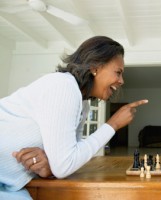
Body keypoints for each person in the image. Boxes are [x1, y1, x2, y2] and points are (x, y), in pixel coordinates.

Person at [0, 36, 148, 199]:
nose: (121, 81)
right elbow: (64, 165)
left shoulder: (81, 102)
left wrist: (50, 165)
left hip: (10, 185)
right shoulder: (64, 86)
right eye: (118, 72)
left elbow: (71, 156)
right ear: (95, 67)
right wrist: (113, 124)